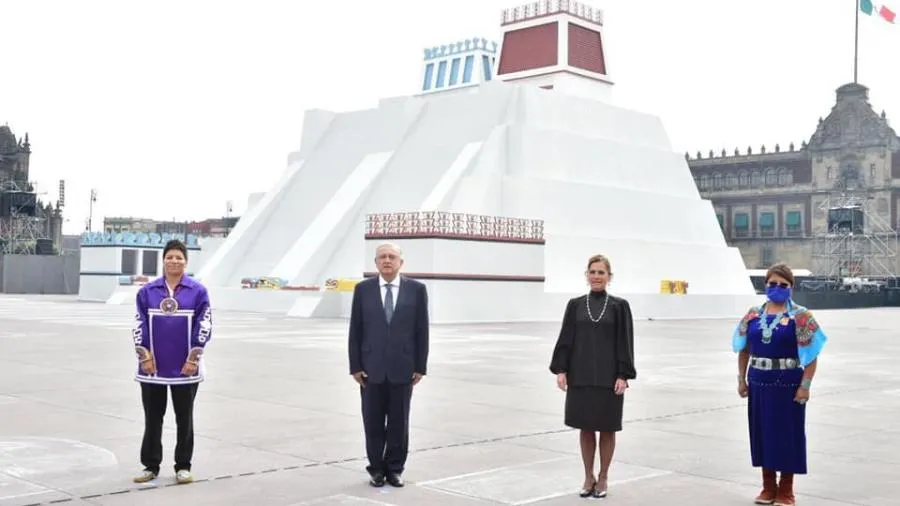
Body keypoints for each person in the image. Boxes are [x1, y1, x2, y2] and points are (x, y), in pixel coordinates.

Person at [732, 263, 827, 506]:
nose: (777, 288)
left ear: (791, 287)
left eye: (783, 285)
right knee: (762, 433)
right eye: (772, 283)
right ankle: (767, 487)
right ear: (765, 285)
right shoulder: (753, 314)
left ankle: (786, 489)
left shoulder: (801, 316)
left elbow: (811, 356)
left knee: (787, 435)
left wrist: (805, 386)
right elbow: (743, 349)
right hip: (758, 382)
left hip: (788, 384)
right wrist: (741, 379)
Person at [549, 254, 636, 498]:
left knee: (607, 429)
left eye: (601, 272)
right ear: (586, 275)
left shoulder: (619, 306)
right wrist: (561, 370)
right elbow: (566, 338)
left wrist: (623, 374)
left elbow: (625, 342)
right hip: (581, 376)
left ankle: (604, 476)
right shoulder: (575, 305)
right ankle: (588, 476)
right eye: (593, 272)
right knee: (586, 428)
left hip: (609, 378)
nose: (596, 276)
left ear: (609, 277)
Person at [348, 242, 430, 488]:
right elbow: (356, 330)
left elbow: (422, 330)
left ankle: (395, 469)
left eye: (392, 257)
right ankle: (376, 469)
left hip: (403, 368)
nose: (387, 260)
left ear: (400, 262)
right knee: (372, 422)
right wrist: (355, 366)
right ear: (375, 263)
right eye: (382, 257)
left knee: (399, 423)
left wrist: (420, 366)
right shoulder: (363, 290)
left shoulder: (416, 290)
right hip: (370, 370)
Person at [131, 239, 213, 485]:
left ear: (185, 262)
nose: (174, 261)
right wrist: (145, 356)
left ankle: (183, 466)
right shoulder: (147, 292)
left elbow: (204, 324)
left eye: (179, 258)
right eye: (170, 257)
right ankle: (150, 465)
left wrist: (193, 358)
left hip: (186, 368)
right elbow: (138, 323)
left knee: (184, 418)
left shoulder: (198, 292)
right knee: (153, 418)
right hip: (153, 368)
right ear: (163, 260)